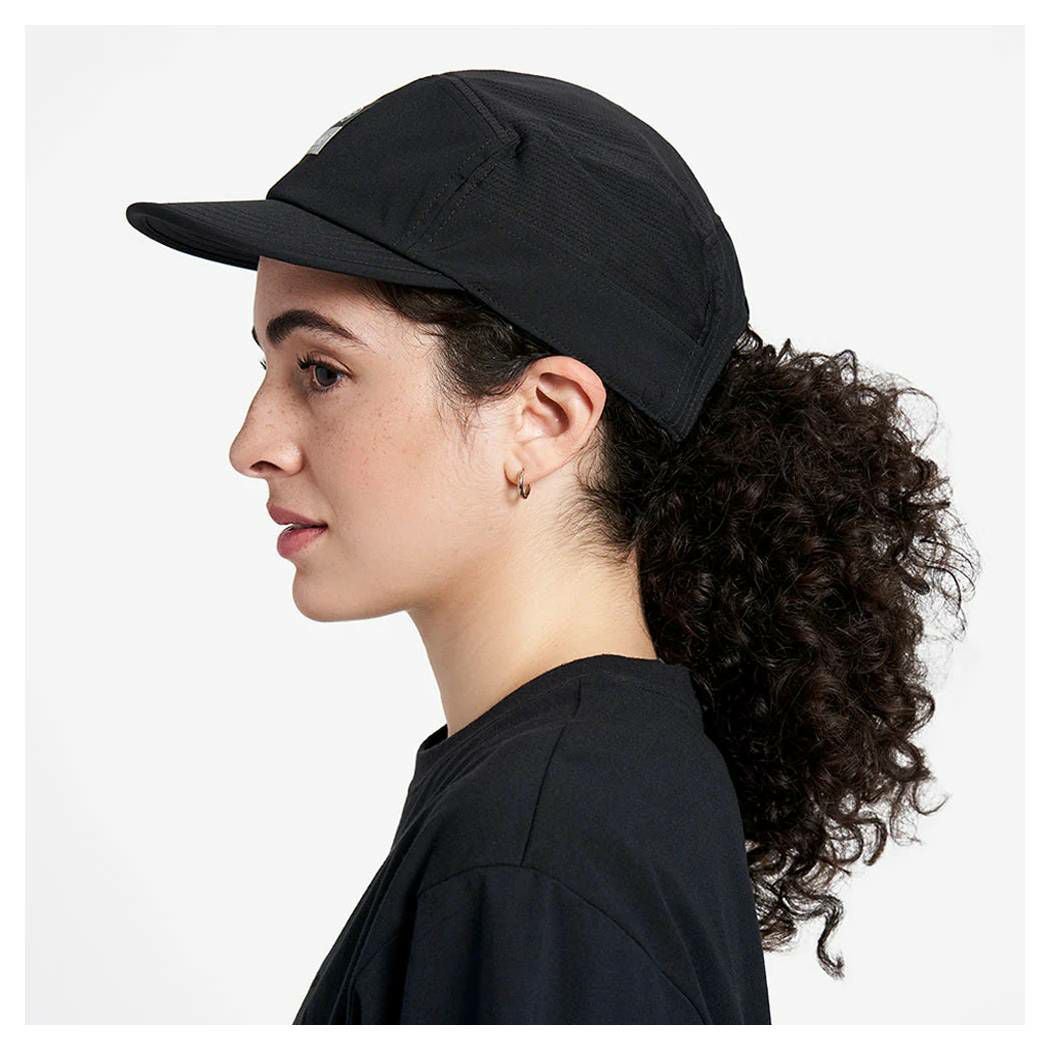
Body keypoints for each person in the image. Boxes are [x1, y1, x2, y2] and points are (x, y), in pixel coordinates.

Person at [125, 68, 980, 1024]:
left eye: (321, 371)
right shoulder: (580, 795)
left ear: (545, 417)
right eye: (267, 365)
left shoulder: (536, 856)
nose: (252, 444)